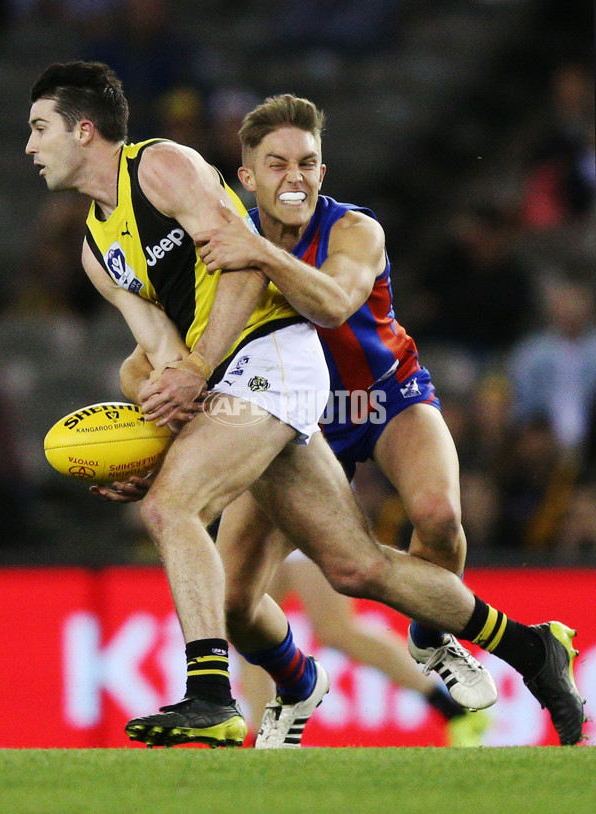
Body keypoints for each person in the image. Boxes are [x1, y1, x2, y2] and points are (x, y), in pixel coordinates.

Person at [29, 67, 584, 750]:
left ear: (84, 130)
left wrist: (199, 373)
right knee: (355, 567)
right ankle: (532, 649)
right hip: (237, 383)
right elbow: (160, 351)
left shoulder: (159, 167)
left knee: (170, 509)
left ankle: (209, 695)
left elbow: (244, 266)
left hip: (277, 357)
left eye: (39, 128)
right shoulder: (95, 249)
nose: (29, 146)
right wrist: (157, 441)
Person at [189, 94, 585, 748]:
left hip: (386, 398)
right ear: (247, 177)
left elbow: (335, 302)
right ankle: (295, 680)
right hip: (293, 426)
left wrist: (257, 254)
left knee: (440, 518)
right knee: (233, 603)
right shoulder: (222, 251)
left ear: (323, 170)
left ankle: (433, 637)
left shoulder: (353, 231)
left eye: (308, 162)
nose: (295, 176)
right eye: (277, 163)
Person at [239, 549, 491, 747]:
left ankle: (454, 710)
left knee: (335, 629)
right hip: (269, 509)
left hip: (299, 502)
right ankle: (266, 741)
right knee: (251, 628)